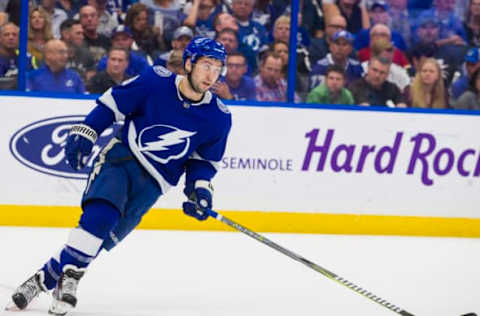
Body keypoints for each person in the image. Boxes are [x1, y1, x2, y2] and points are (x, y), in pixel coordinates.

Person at [10, 37, 231, 316]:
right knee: (100, 217)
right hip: (122, 159)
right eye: (206, 65)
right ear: (189, 63)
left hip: (153, 185)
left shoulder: (219, 117)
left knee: (100, 239)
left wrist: (200, 191)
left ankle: (45, 278)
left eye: (218, 67)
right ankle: (70, 281)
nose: (212, 74)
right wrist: (88, 130)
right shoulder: (155, 82)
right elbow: (112, 104)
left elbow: (203, 162)